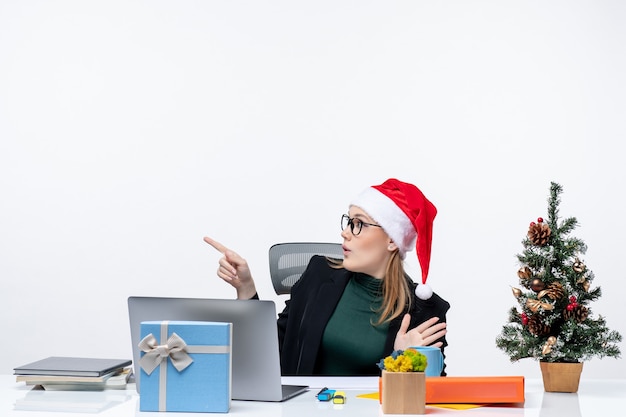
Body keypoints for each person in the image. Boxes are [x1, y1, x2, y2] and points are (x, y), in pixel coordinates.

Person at [205, 178, 450, 376]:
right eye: (348, 221)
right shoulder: (318, 276)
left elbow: (431, 401)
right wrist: (246, 289)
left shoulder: (423, 310)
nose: (345, 233)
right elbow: (271, 351)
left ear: (391, 241)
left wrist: (404, 361)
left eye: (358, 224)